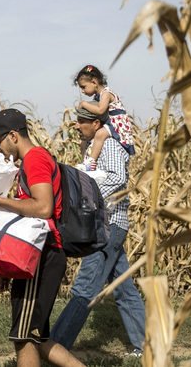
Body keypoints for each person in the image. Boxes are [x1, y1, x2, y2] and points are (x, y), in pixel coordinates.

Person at [0, 109, 85, 367]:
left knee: (24, 338)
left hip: (43, 258)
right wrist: (7, 268)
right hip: (36, 256)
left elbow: (43, 208)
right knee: (38, 338)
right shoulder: (29, 162)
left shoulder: (34, 159)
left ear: (13, 135)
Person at [51, 103, 146, 357]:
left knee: (85, 288)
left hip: (108, 226)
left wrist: (91, 199)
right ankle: (146, 347)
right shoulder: (93, 149)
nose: (77, 125)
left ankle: (56, 346)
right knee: (124, 288)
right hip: (110, 225)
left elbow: (118, 178)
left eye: (82, 121)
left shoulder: (111, 146)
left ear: (97, 125)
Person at [74, 64, 136, 171]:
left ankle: (91, 161)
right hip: (109, 122)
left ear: (94, 82)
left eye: (83, 87)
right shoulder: (98, 96)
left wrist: (84, 104)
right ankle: (86, 161)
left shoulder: (106, 93)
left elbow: (100, 110)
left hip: (115, 122)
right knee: (86, 141)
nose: (83, 91)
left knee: (100, 134)